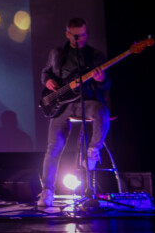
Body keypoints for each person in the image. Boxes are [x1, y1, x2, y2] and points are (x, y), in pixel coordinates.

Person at [37, 18, 111, 207]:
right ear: (68, 34)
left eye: (85, 35)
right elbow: (45, 72)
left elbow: (107, 85)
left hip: (85, 101)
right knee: (53, 148)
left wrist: (101, 79)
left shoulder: (95, 55)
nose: (82, 39)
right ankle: (47, 191)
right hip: (62, 105)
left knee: (102, 112)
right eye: (77, 36)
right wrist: (48, 82)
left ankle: (93, 150)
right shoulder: (57, 53)